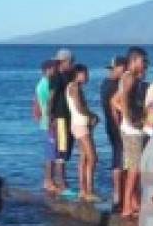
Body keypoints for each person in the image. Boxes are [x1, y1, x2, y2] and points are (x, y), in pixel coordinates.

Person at [113, 47, 150, 218]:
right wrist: (130, 120)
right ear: (134, 60)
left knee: (133, 167)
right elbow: (123, 99)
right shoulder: (129, 77)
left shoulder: (129, 77)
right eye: (143, 61)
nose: (145, 64)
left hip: (130, 128)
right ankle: (127, 206)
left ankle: (134, 202)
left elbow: (114, 100)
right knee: (135, 169)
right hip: (132, 130)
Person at [66, 64, 100, 202]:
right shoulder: (74, 87)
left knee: (84, 157)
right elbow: (80, 108)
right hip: (81, 125)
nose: (88, 77)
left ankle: (83, 190)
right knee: (92, 157)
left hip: (78, 124)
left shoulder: (72, 86)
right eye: (85, 74)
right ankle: (89, 191)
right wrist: (93, 115)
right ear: (78, 74)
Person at [100, 55, 127, 211]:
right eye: (123, 69)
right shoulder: (114, 85)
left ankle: (118, 194)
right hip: (116, 126)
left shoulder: (105, 83)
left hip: (110, 126)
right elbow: (113, 107)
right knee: (119, 160)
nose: (124, 72)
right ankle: (118, 195)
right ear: (117, 68)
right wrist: (120, 126)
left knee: (117, 158)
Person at [48, 49, 76, 193]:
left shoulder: (67, 76)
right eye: (71, 62)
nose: (72, 64)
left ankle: (62, 181)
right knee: (62, 149)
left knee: (66, 149)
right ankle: (62, 183)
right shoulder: (56, 77)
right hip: (60, 118)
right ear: (63, 62)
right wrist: (50, 117)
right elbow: (51, 97)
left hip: (68, 116)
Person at [33, 59, 59, 193]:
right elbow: (49, 103)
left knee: (52, 153)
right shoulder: (46, 84)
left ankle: (50, 181)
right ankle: (49, 181)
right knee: (51, 154)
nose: (56, 70)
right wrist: (50, 119)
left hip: (46, 121)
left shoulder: (40, 84)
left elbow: (36, 102)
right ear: (48, 70)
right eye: (54, 68)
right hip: (49, 122)